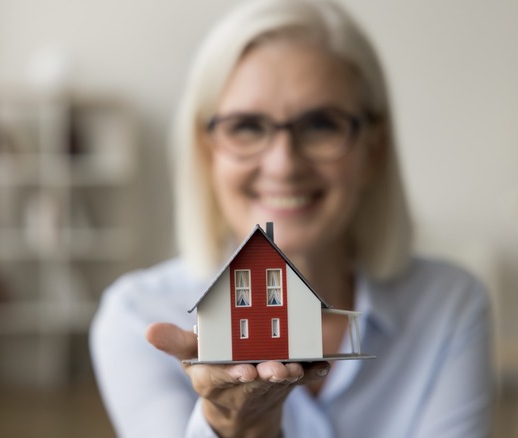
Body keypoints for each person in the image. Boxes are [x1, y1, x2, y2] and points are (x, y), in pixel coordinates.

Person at [90, 0, 493, 436]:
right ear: (208, 152)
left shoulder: (449, 307)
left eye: (321, 124)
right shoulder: (136, 318)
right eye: (246, 126)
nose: (283, 164)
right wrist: (233, 428)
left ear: (373, 150)